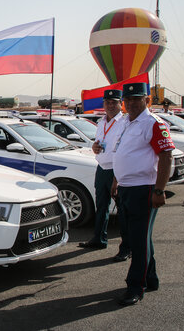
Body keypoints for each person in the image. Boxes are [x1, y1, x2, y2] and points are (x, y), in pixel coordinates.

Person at [111, 82, 175, 306]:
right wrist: (116, 181)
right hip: (126, 188)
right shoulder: (126, 123)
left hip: (144, 188)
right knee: (139, 237)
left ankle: (135, 286)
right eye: (127, 100)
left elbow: (166, 157)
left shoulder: (153, 123)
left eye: (136, 99)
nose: (131, 104)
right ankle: (151, 278)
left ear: (147, 100)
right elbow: (121, 153)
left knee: (138, 240)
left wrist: (159, 190)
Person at [79, 90, 131, 262]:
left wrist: (117, 177)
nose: (110, 105)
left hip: (118, 170)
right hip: (102, 167)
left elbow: (123, 148)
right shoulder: (101, 122)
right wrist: (94, 147)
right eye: (107, 102)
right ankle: (99, 239)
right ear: (103, 104)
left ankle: (127, 247)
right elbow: (99, 142)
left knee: (123, 210)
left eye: (114, 102)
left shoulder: (124, 122)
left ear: (120, 104)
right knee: (101, 206)